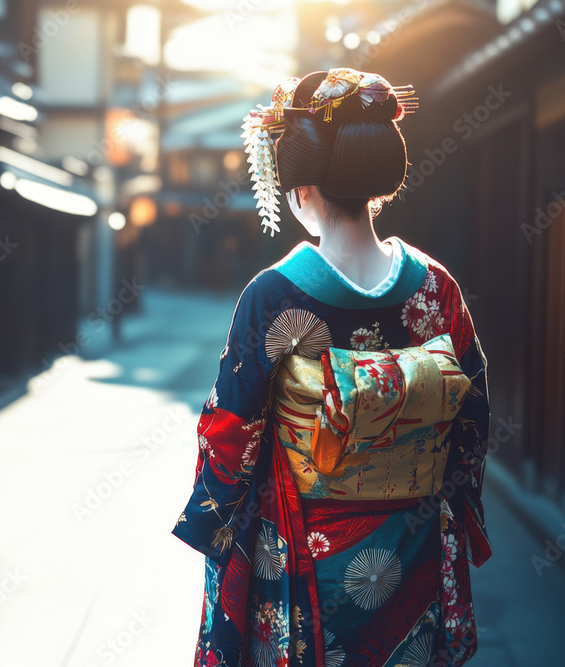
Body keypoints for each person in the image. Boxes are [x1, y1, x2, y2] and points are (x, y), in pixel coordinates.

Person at [172, 69, 492, 667]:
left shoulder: (274, 296)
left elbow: (231, 434)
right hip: (412, 539)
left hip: (303, 547)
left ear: (300, 188)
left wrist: (214, 518)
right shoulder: (436, 288)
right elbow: (472, 421)